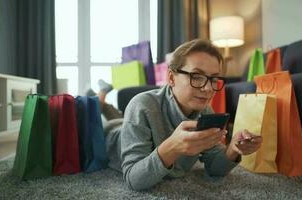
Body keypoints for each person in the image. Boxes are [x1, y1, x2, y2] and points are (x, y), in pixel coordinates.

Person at [97, 39, 263, 191]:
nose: (208, 89)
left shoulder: (205, 111)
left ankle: (102, 101)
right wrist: (173, 147)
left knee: (117, 115)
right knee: (100, 114)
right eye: (196, 77)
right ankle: (99, 98)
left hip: (127, 121)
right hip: (107, 135)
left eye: (213, 79)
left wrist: (233, 149)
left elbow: (214, 167)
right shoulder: (141, 105)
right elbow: (134, 179)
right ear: (171, 77)